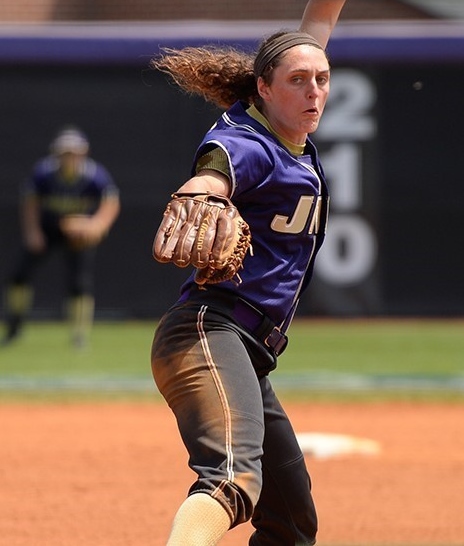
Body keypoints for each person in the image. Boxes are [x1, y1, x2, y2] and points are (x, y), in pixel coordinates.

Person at [150, 2, 347, 544]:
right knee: (232, 479)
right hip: (208, 332)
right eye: (299, 81)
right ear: (263, 87)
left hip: (247, 350)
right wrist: (204, 189)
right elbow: (218, 166)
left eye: (322, 80)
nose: (313, 91)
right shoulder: (250, 141)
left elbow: (313, 33)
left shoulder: (288, 118)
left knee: (290, 520)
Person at [1, 126, 120, 348]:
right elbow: (30, 202)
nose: (69, 158)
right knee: (18, 276)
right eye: (65, 153)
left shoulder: (94, 175)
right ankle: (14, 327)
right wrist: (33, 232)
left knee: (79, 283)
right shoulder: (44, 173)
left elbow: (110, 202)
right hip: (48, 227)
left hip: (77, 232)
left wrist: (96, 224)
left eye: (74, 153)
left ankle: (79, 335)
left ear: (83, 153)